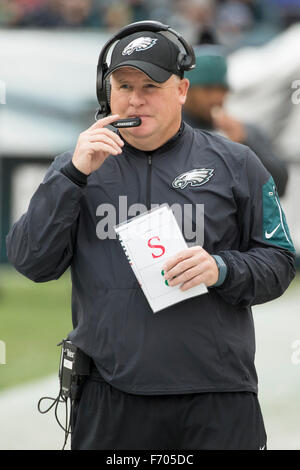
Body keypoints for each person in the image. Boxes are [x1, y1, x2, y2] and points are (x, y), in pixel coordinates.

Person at [6, 21, 296, 450]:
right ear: (107, 92)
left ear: (181, 90)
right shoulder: (77, 166)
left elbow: (280, 260)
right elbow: (31, 261)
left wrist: (221, 268)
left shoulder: (238, 163)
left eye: (151, 86)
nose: (135, 99)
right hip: (111, 398)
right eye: (124, 85)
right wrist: (71, 176)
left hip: (216, 397)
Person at [183, 46, 289, 197]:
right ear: (185, 89)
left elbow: (280, 186)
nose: (216, 98)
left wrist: (246, 142)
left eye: (222, 90)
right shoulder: (171, 132)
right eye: (207, 89)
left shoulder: (244, 131)